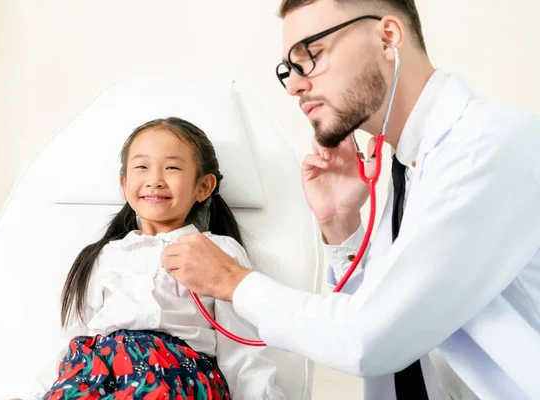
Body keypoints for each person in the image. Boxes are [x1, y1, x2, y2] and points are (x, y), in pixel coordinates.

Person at [161, 0, 540, 399]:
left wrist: (231, 281)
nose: (293, 85)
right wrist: (341, 222)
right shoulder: (412, 163)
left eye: (312, 55)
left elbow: (372, 339)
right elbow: (395, 313)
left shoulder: (485, 148)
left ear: (388, 36)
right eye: (289, 68)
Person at [15, 117, 285, 400]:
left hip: (174, 376)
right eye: (142, 167)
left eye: (172, 168)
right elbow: (71, 337)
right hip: (95, 376)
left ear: (203, 187)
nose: (154, 180)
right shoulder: (102, 256)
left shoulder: (218, 252)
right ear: (124, 183)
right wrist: (34, 394)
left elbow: (241, 349)